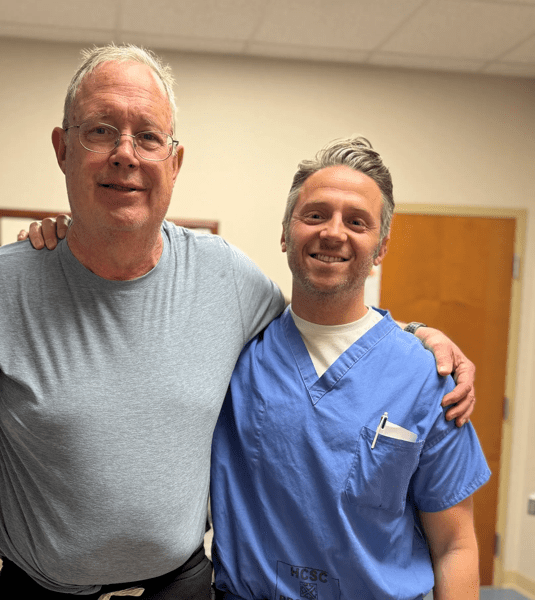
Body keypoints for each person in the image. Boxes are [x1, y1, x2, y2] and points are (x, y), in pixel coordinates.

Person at [0, 43, 475, 600]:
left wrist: (416, 339)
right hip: (41, 590)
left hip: (178, 588)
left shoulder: (227, 280)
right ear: (63, 149)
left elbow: (330, 324)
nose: (125, 153)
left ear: (174, 161)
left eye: (148, 136)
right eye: (101, 131)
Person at [209, 137, 490, 600]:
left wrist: (416, 332)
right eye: (315, 215)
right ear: (285, 233)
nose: (333, 233)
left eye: (357, 222)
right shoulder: (235, 355)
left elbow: (454, 545)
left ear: (380, 248)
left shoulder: (427, 377)